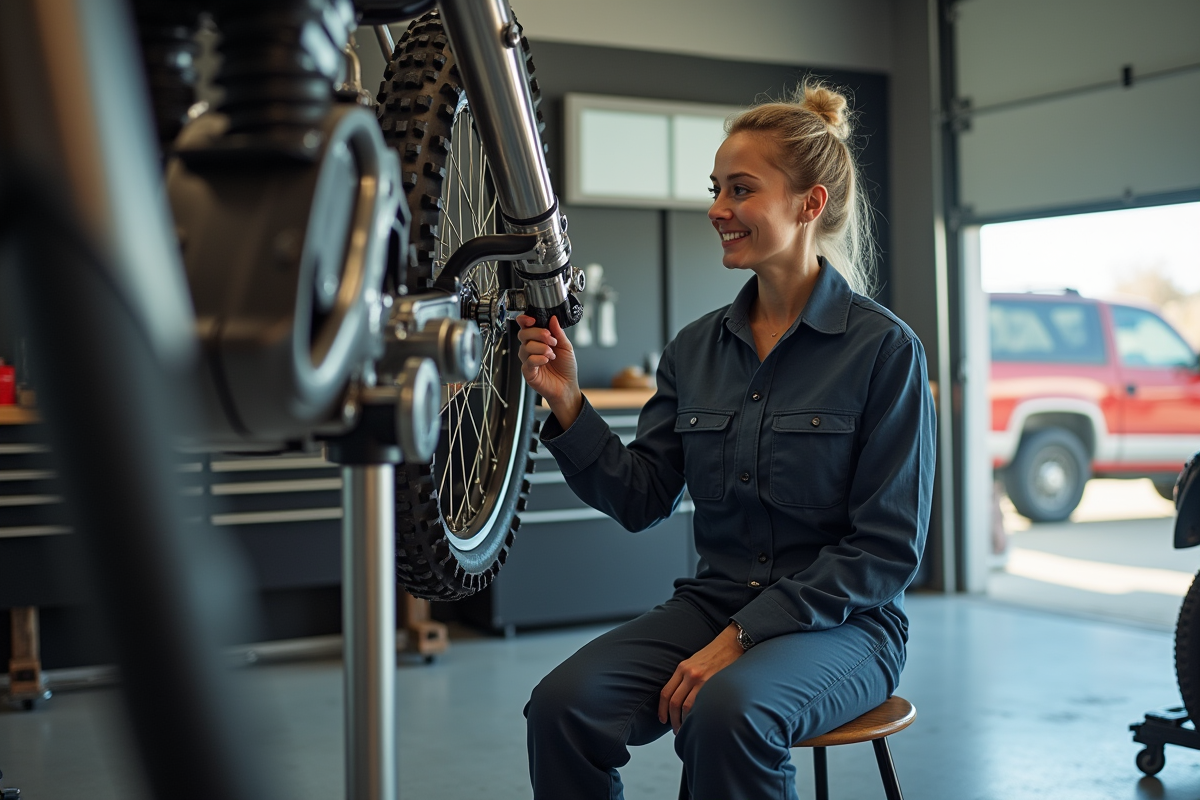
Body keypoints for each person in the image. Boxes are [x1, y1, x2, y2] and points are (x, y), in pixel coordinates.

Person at [516, 80, 936, 800]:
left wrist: (743, 638)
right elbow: (643, 497)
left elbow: (886, 550)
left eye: (741, 190)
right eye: (716, 189)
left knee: (729, 713)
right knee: (561, 706)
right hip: (713, 607)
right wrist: (569, 402)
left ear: (809, 204)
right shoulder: (693, 349)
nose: (717, 209)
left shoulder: (885, 351)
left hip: (846, 627)